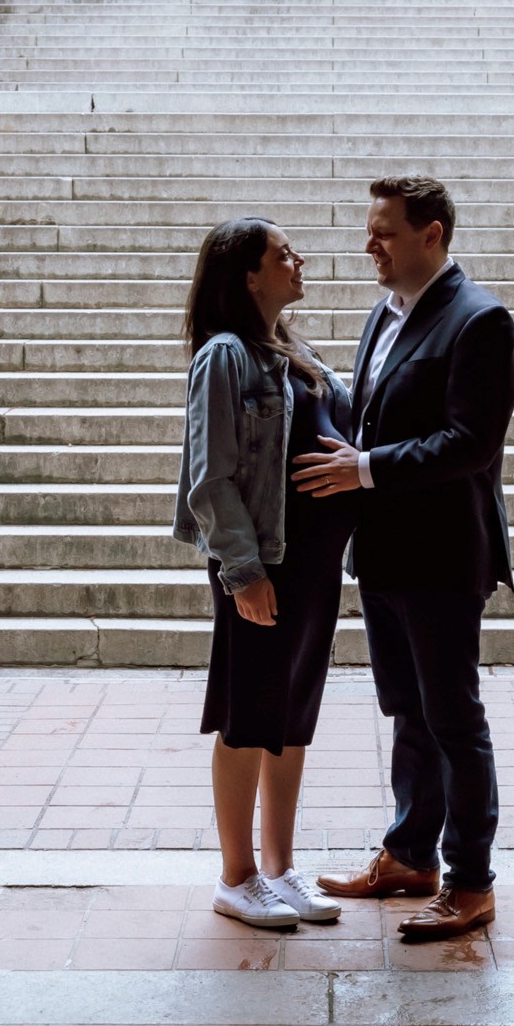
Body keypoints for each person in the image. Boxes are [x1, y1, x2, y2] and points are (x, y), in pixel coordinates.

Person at [292, 175, 514, 940]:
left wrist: (365, 467)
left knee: (454, 717)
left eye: (385, 231)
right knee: (408, 713)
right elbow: (373, 406)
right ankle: (410, 854)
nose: (370, 245)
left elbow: (471, 443)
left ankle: (472, 881)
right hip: (384, 554)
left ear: (433, 235)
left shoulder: (480, 320)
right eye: (370, 230)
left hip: (445, 555)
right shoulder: (384, 314)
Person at [173, 217, 357, 930]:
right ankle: (236, 875)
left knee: (291, 719)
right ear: (249, 275)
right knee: (248, 717)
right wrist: (242, 571)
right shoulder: (225, 356)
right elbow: (210, 475)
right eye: (283, 254)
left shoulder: (292, 350)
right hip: (265, 567)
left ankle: (280, 868)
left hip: (312, 566)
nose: (297, 260)